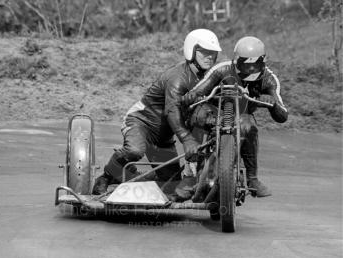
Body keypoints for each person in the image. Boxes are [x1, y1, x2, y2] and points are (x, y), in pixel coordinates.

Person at [92, 29, 222, 195]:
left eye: (213, 53)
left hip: (163, 138)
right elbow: (171, 111)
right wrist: (188, 140)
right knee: (135, 150)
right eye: (204, 52)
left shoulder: (209, 80)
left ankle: (131, 176)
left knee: (171, 187)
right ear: (192, 50)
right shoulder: (178, 77)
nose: (209, 56)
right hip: (141, 122)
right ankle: (106, 176)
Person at [180, 36, 288, 197]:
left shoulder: (269, 79)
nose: (251, 69)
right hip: (213, 113)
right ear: (236, 60)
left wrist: (272, 104)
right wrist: (192, 95)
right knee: (196, 114)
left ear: (263, 62)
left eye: (255, 64)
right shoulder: (221, 69)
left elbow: (283, 116)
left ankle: (252, 179)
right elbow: (199, 89)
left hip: (241, 116)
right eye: (246, 64)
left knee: (249, 127)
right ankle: (192, 171)